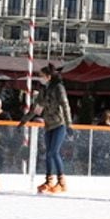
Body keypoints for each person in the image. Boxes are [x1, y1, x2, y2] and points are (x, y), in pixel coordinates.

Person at [20, 63, 73, 194]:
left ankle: (61, 182)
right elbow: (36, 109)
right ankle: (49, 180)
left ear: (48, 77)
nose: (40, 78)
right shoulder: (44, 90)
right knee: (48, 153)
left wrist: (69, 124)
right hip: (48, 125)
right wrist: (23, 121)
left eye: (42, 76)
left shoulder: (59, 88)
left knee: (53, 152)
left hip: (59, 124)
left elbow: (65, 106)